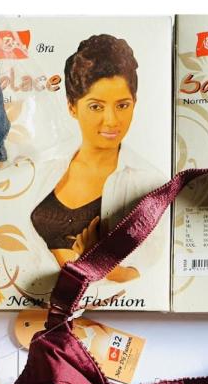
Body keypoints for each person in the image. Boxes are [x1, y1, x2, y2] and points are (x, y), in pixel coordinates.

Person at [29, 34, 166, 282]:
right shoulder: (48, 167)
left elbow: (146, 274)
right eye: (96, 106)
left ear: (135, 103)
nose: (111, 120)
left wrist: (97, 259)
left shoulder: (150, 183)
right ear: (72, 106)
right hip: (29, 294)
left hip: (107, 300)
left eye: (122, 105)